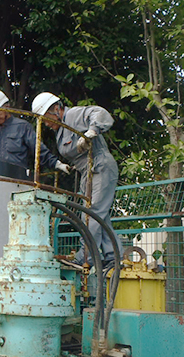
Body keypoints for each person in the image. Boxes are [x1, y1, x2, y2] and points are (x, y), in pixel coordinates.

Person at [31, 92, 122, 265]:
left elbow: (100, 114)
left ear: (57, 109)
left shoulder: (72, 115)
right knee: (97, 214)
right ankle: (112, 256)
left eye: (47, 118)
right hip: (87, 171)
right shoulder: (60, 130)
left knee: (93, 212)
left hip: (100, 165)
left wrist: (91, 132)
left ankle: (87, 255)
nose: (47, 123)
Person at [0, 90, 71, 176]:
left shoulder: (22, 127)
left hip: (18, 180)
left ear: (7, 107)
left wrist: (57, 164)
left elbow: (38, 149)